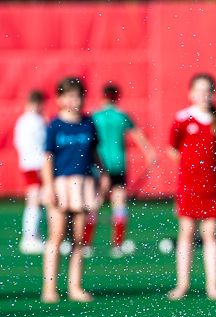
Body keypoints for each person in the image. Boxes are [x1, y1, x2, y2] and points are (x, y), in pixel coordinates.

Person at [167, 73, 216, 301]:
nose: (203, 95)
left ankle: (213, 286)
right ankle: (182, 284)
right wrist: (190, 168)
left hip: (212, 187)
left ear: (213, 94)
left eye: (208, 91)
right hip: (188, 186)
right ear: (191, 94)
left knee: (210, 234)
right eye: (198, 91)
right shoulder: (182, 119)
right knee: (186, 233)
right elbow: (172, 149)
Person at [40, 77, 101, 303]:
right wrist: (49, 187)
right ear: (59, 99)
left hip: (83, 184)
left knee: (78, 238)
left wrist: (103, 174)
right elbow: (48, 158)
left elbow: (94, 153)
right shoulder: (55, 125)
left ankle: (75, 287)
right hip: (60, 185)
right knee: (56, 236)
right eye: (69, 96)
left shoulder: (88, 123)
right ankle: (49, 288)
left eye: (78, 96)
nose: (75, 100)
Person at [91, 82, 156, 257]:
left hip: (100, 165)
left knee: (94, 203)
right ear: (117, 97)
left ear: (102, 97)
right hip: (118, 164)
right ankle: (117, 245)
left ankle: (85, 245)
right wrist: (150, 154)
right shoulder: (122, 116)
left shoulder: (95, 116)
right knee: (119, 203)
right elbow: (138, 136)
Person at [14, 89, 47, 255]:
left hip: (29, 163)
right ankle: (30, 238)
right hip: (35, 164)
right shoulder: (34, 120)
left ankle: (34, 236)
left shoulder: (23, 120)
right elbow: (41, 144)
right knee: (35, 199)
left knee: (36, 199)